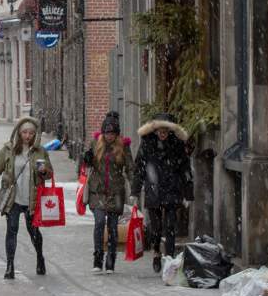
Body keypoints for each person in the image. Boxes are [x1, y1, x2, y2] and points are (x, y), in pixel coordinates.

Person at [0, 117, 53, 280]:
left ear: (35, 134)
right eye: (25, 132)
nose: (27, 136)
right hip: (13, 198)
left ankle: (40, 258)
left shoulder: (40, 151)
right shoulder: (8, 150)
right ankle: (10, 265)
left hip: (32, 198)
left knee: (33, 232)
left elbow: (49, 174)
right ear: (19, 132)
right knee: (12, 231)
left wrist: (44, 171)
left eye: (31, 133)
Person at [131, 112, 192, 273]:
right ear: (155, 130)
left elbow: (185, 169)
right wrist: (135, 191)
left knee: (171, 226)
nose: (162, 133)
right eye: (160, 130)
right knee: (156, 228)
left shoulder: (177, 145)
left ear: (170, 131)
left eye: (166, 130)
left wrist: (188, 193)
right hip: (154, 190)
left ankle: (169, 259)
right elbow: (139, 168)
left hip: (172, 188)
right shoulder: (147, 143)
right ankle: (157, 252)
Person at [82, 111, 132, 274]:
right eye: (107, 133)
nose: (109, 136)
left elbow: (130, 168)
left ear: (117, 134)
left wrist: (135, 187)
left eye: (112, 133)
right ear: (103, 133)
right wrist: (87, 158)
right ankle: (97, 259)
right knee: (99, 223)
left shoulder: (123, 147)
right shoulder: (95, 143)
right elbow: (84, 165)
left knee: (112, 227)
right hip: (98, 191)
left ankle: (110, 261)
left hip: (116, 192)